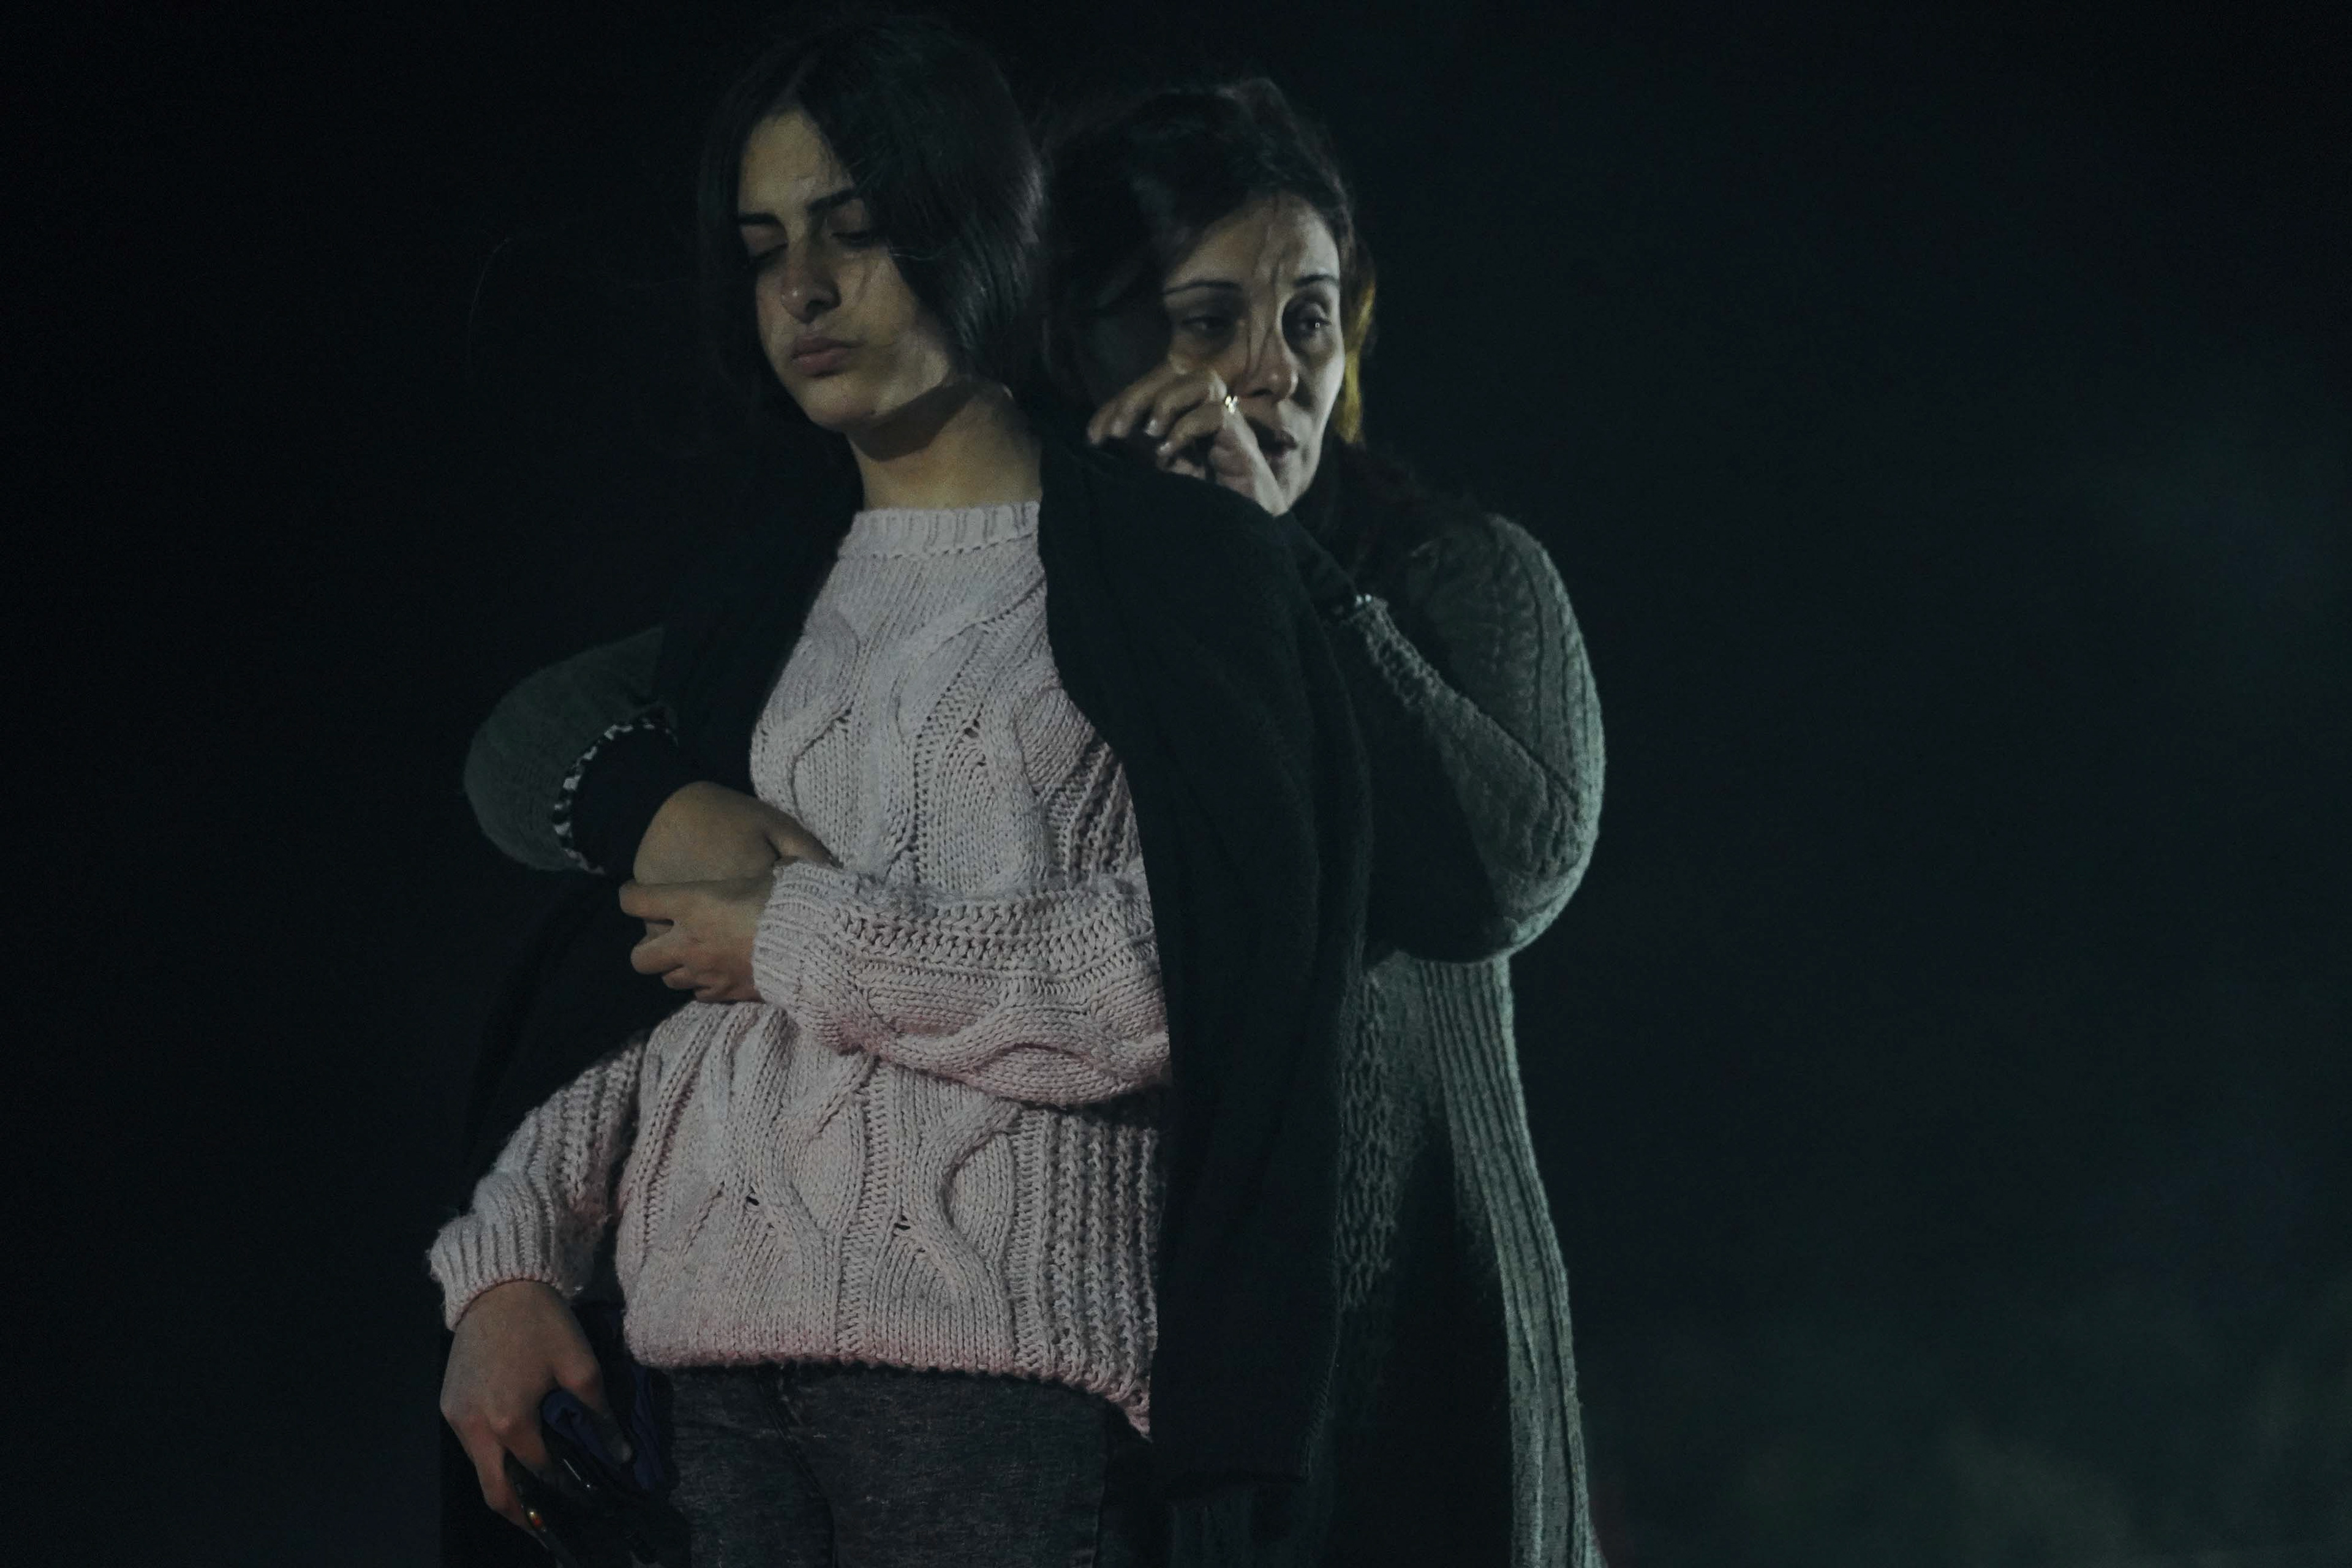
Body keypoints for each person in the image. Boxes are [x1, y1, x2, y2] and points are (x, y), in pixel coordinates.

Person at [432, 18, 1374, 1568]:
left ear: (979, 229)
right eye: (767, 246)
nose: (803, 289)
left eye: (855, 234)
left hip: (994, 1387)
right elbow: (662, 972)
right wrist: (514, 1256)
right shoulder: (764, 594)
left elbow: (1175, 977)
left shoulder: (1163, 569)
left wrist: (802, 939)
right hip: (705, 1378)